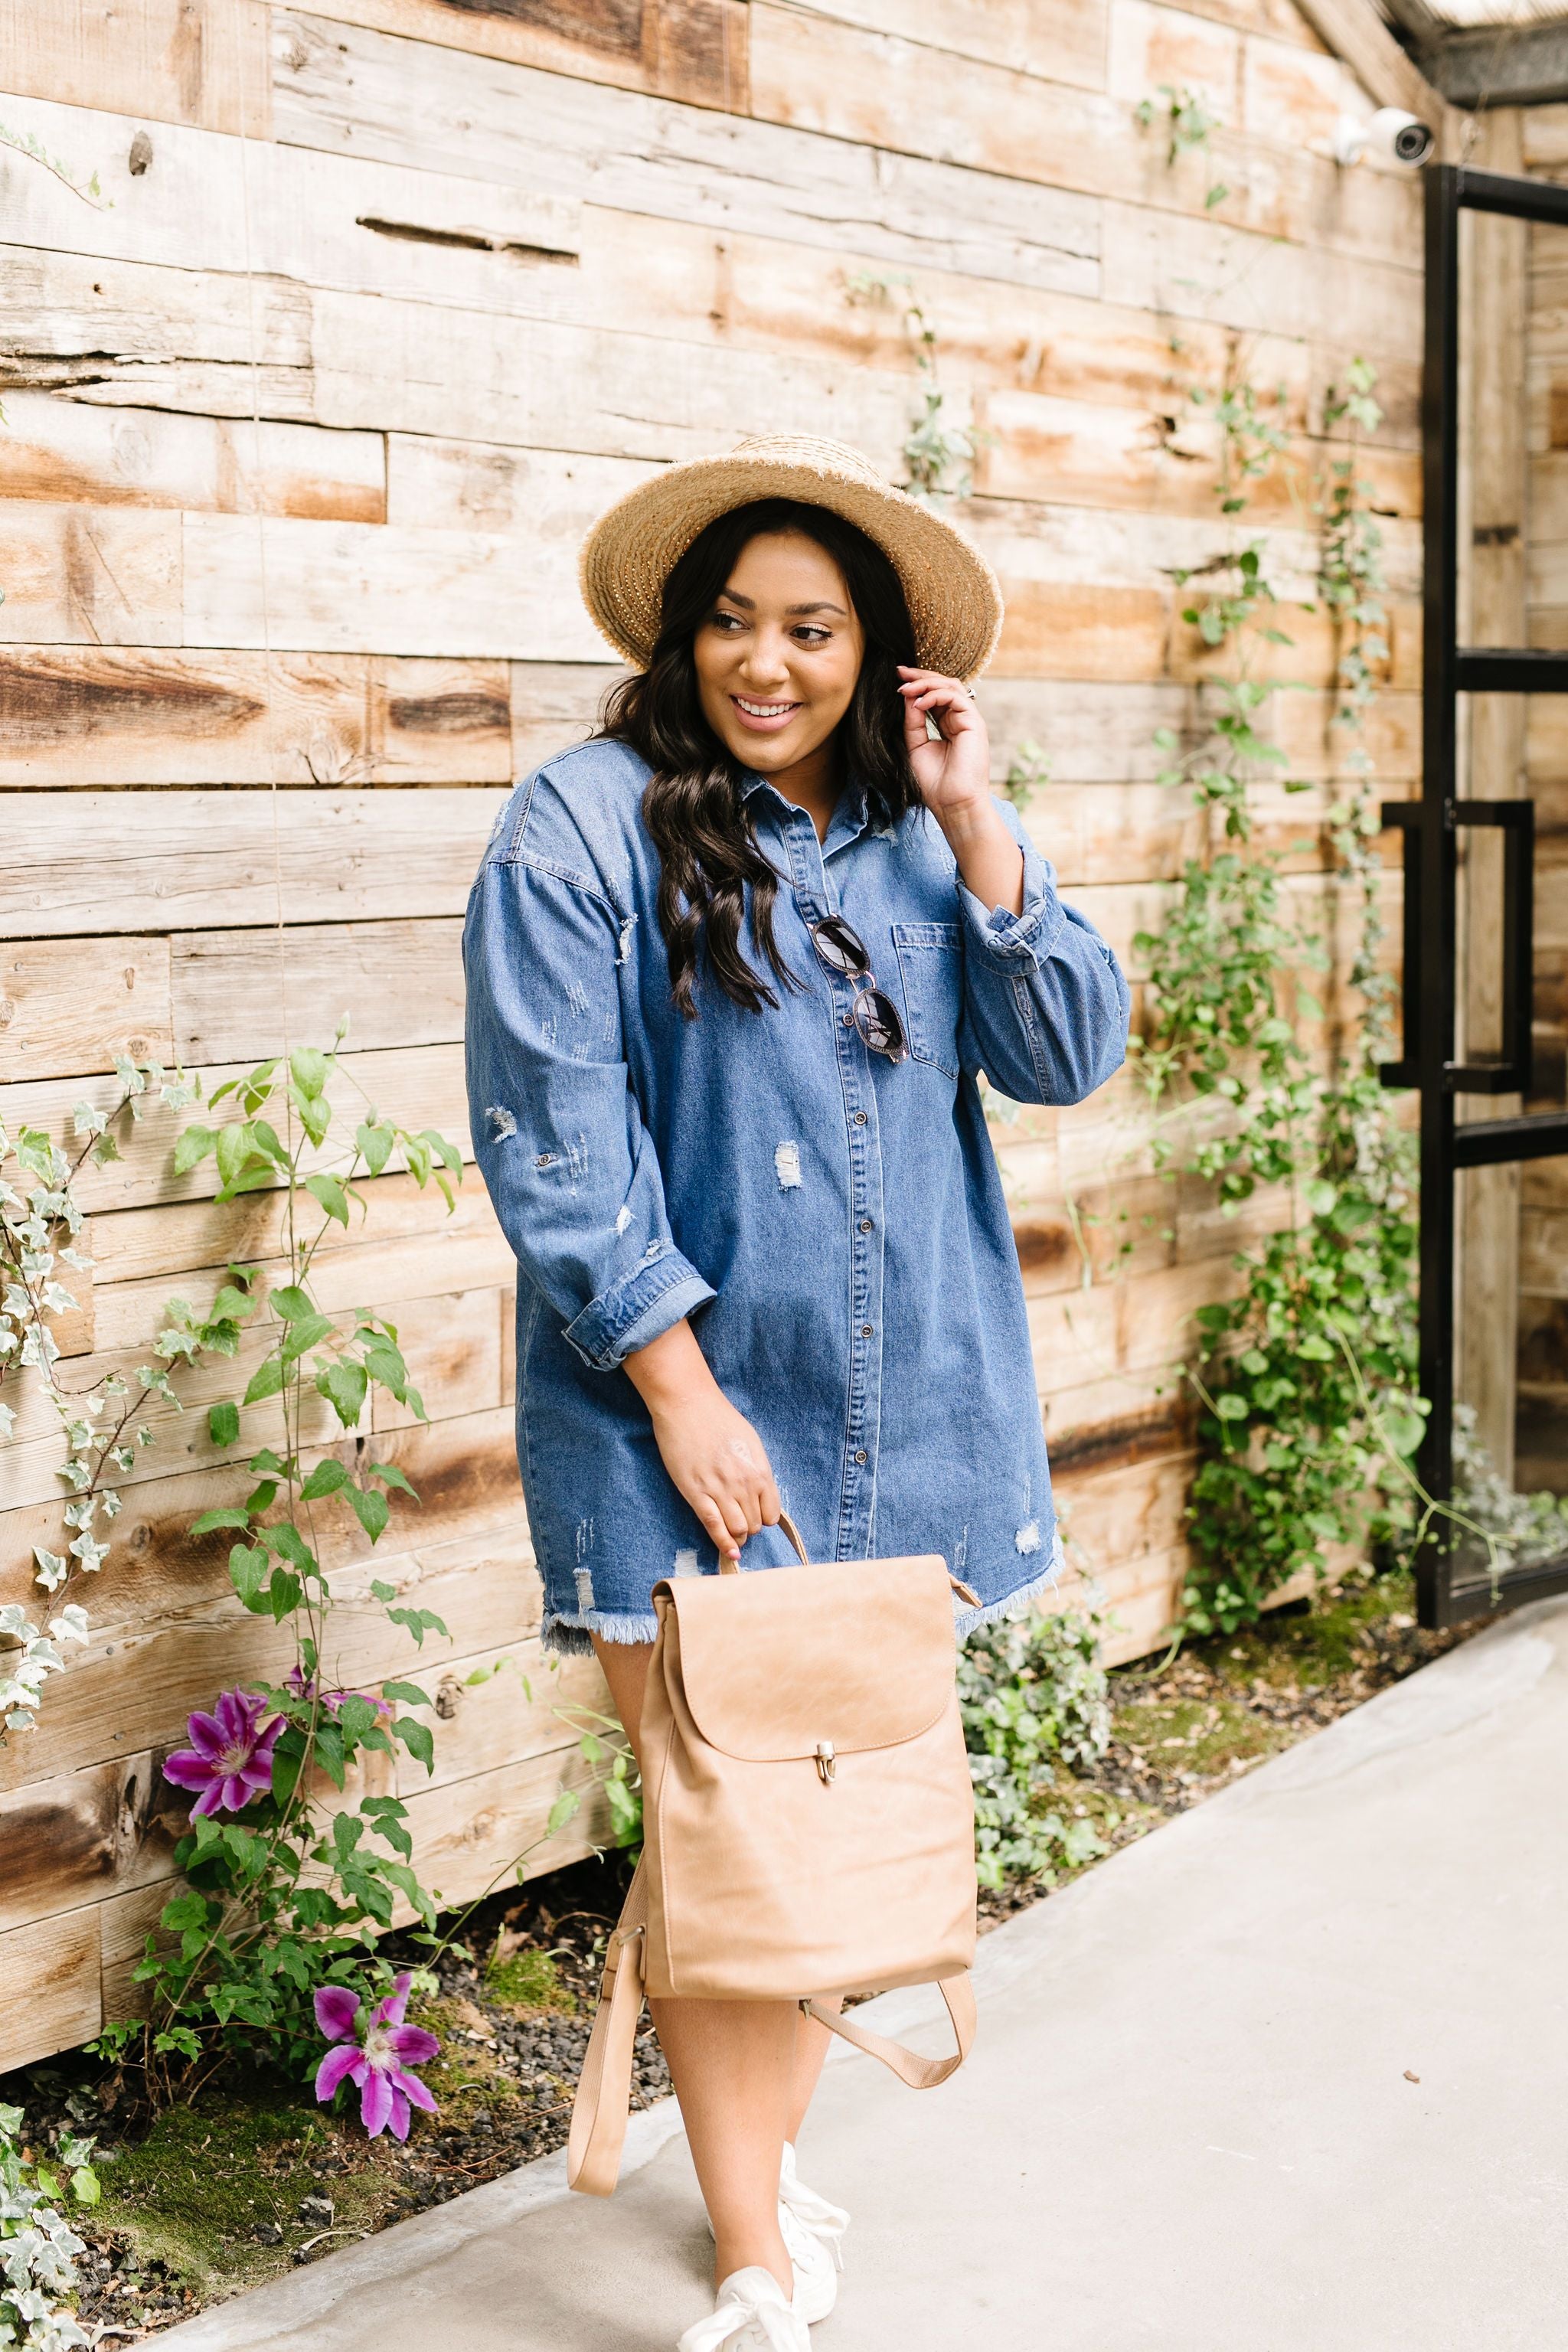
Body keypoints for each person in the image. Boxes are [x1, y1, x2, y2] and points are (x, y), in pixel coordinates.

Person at [463, 434, 1130, 2350]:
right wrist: (676, 1391)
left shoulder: (924, 830)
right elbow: (556, 1143)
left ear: (880, 653)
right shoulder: (574, 831)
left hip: (896, 1411)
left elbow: (1065, 1044)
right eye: (735, 624)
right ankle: (754, 2254)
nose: (769, 663)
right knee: (724, 1834)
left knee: (814, 1848)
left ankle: (754, 2180)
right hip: (672, 1419)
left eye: (814, 629)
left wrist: (981, 820)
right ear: (679, 640)